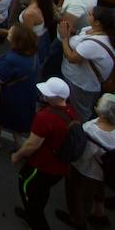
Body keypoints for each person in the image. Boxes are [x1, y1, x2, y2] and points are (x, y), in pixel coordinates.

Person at [13, 77, 78, 230]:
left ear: (55, 97)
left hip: (41, 166)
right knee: (41, 192)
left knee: (28, 190)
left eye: (47, 94)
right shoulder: (70, 111)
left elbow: (32, 144)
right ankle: (31, 215)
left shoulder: (45, 117)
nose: (44, 95)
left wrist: (17, 155)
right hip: (60, 167)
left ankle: (36, 222)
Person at [58, 91, 115, 230]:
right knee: (96, 190)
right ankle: (99, 213)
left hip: (85, 171)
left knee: (78, 196)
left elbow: (82, 154)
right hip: (104, 171)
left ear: (101, 111)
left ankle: (78, 220)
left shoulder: (91, 130)